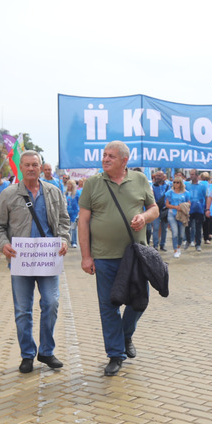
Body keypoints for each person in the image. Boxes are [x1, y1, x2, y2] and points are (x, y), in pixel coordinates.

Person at [78, 141, 159, 376]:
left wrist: (144, 217)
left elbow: (154, 209)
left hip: (135, 255)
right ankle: (115, 354)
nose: (105, 159)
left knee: (139, 301)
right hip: (103, 256)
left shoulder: (140, 180)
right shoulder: (93, 183)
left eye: (111, 156)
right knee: (108, 305)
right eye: (104, 155)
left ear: (124, 160)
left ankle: (125, 335)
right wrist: (86, 256)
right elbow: (83, 221)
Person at [0, 151, 71, 373]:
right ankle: (27, 354)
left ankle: (46, 351)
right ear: (21, 167)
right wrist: (3, 244)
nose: (31, 169)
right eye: (27, 165)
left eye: (35, 164)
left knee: (51, 303)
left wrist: (64, 239)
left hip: (48, 259)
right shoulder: (8, 194)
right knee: (23, 310)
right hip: (20, 261)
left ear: (41, 166)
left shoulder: (53, 192)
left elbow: (65, 221)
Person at [165, 176, 191, 258]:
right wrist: (176, 207)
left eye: (177, 182)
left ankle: (179, 246)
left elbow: (189, 203)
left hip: (182, 215)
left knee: (181, 234)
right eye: (174, 182)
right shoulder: (169, 192)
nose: (175, 184)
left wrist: (183, 206)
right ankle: (175, 249)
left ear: (181, 183)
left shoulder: (186, 193)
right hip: (172, 214)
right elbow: (167, 204)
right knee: (175, 232)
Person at [65, 180, 80, 248]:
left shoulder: (77, 193)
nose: (69, 186)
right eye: (68, 184)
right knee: (67, 228)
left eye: (70, 184)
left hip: (74, 213)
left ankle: (74, 242)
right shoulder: (65, 193)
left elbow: (80, 202)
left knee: (73, 228)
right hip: (66, 213)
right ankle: (67, 241)